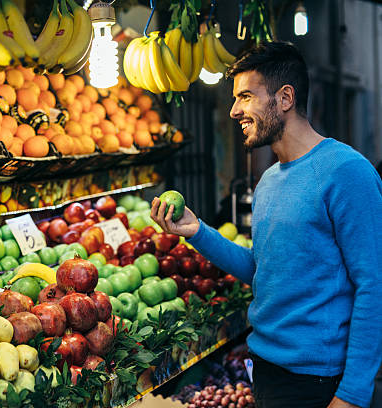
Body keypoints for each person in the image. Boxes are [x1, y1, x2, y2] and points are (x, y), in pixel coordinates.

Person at [151, 42, 382, 408]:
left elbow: (374, 284)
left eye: (245, 96)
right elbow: (264, 271)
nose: (233, 111)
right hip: (268, 371)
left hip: (320, 382)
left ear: (285, 97)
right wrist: (198, 232)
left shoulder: (346, 172)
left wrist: (352, 394)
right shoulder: (270, 181)